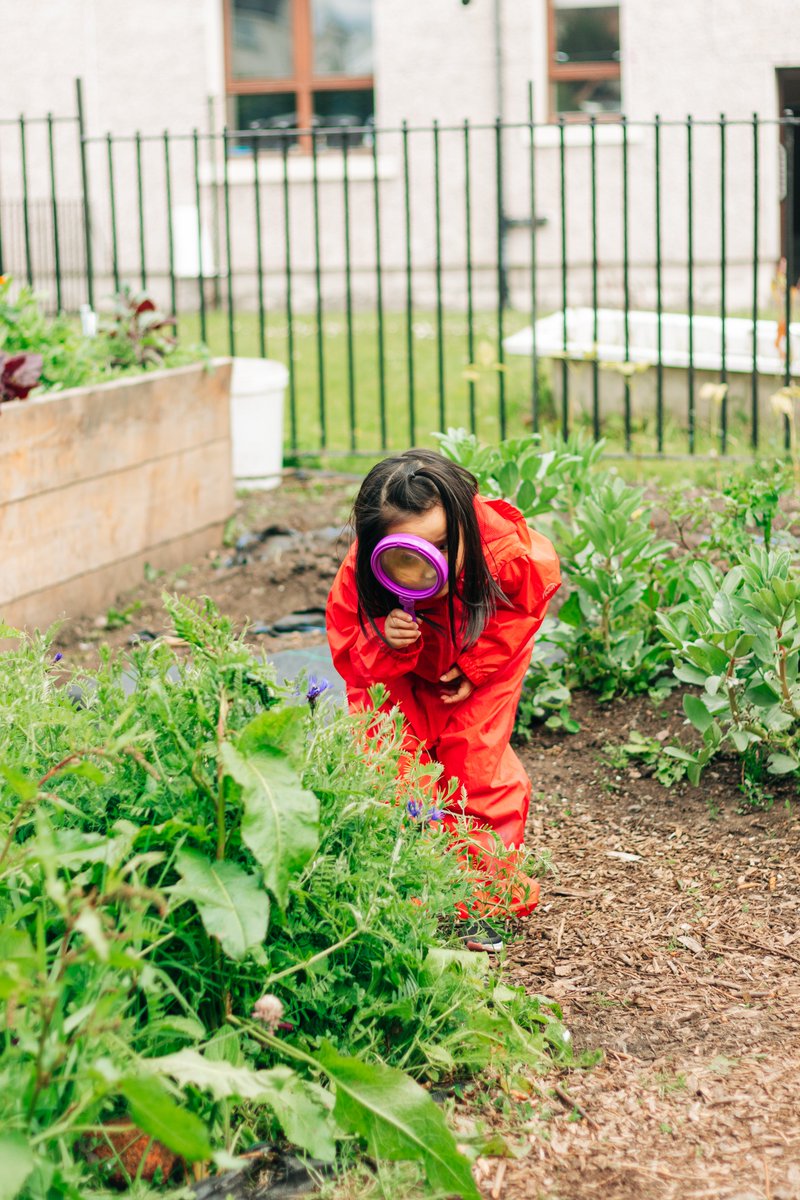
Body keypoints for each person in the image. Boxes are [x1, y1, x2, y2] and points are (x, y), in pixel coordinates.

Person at [326, 449, 561, 951]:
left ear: (464, 522)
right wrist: (384, 641)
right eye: (407, 555)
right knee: (389, 767)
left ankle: (481, 903)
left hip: (481, 660)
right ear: (374, 549)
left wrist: (479, 666)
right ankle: (402, 893)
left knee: (477, 774)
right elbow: (350, 654)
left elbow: (527, 602)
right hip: (391, 670)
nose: (431, 563)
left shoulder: (501, 547)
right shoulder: (359, 580)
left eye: (444, 544)